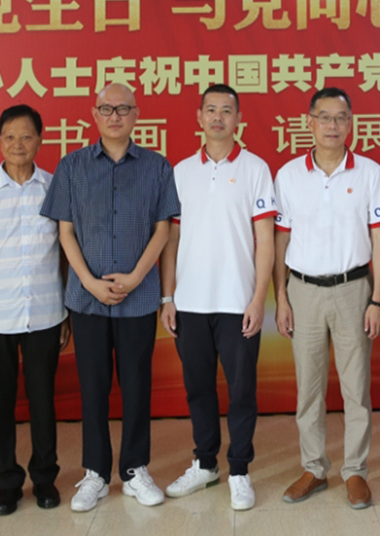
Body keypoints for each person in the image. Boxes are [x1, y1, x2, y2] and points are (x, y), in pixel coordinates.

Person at [40, 83, 180, 512]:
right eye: (106, 108)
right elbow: (64, 231)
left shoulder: (157, 166)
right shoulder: (72, 166)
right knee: (93, 387)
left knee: (137, 386)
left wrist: (137, 278)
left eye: (123, 109)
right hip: (87, 300)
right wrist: (88, 281)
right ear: (94, 114)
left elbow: (163, 229)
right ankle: (96, 474)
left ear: (136, 115)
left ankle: (135, 469)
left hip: (139, 299)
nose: (115, 116)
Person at [273, 87, 380, 510]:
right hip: (302, 290)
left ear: (350, 123)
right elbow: (280, 240)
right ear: (309, 122)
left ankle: (355, 471)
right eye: (324, 117)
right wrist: (281, 297)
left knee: (356, 388)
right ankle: (314, 467)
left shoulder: (370, 173)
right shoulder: (289, 175)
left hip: (353, 289)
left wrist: (379, 299)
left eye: (341, 118)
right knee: (308, 387)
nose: (332, 125)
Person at [159, 84, 276, 511]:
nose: (218, 118)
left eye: (227, 111)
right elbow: (171, 239)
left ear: (238, 118)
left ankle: (240, 471)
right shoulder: (181, 171)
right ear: (199, 117)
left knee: (242, 391)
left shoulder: (256, 169)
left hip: (237, 302)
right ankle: (205, 464)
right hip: (190, 302)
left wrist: (258, 299)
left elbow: (266, 240)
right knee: (198, 388)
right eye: (211, 110)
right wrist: (167, 297)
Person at [0, 105, 70, 516]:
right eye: (9, 137)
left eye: (26, 136)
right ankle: (7, 483)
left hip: (45, 313)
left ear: (40, 140)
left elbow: (65, 251)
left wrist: (65, 310)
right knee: (0, 405)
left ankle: (44, 478)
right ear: (0, 141)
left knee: (43, 402)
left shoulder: (54, 187)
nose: (17, 144)